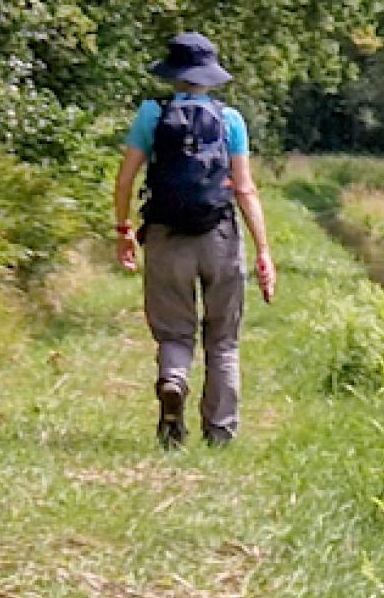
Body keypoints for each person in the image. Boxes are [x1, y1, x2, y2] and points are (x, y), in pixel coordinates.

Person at [112, 32, 277, 448]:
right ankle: (220, 431)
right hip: (218, 235)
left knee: (174, 332)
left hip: (166, 236)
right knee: (223, 338)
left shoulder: (151, 115)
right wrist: (263, 251)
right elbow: (244, 189)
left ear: (172, 73)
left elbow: (126, 178)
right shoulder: (229, 120)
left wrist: (124, 231)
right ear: (209, 76)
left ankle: (173, 380)